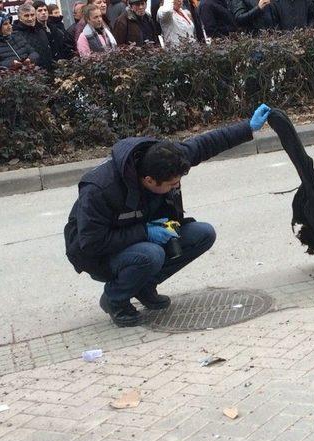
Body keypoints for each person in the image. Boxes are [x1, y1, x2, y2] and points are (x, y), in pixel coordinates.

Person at [64, 104, 272, 326]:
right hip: (99, 254)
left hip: (140, 237)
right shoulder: (100, 189)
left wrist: (248, 127)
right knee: (151, 253)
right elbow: (91, 243)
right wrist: (145, 232)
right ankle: (115, 298)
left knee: (203, 234)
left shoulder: (166, 159)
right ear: (149, 181)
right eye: (172, 184)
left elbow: (206, 144)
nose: (177, 186)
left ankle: (142, 286)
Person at [13, 3, 53, 68]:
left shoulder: (40, 29)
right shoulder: (15, 34)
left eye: (32, 15)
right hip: (32, 73)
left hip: (48, 70)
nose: (30, 18)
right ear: (20, 18)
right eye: (26, 16)